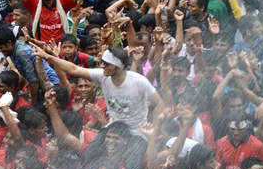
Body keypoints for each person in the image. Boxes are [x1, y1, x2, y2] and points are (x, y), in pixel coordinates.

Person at [31, 45, 164, 136]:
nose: (102, 66)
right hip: (112, 130)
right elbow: (74, 69)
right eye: (102, 62)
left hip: (136, 133)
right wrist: (47, 57)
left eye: (106, 64)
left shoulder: (139, 81)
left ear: (117, 66)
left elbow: (159, 104)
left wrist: (154, 128)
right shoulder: (102, 76)